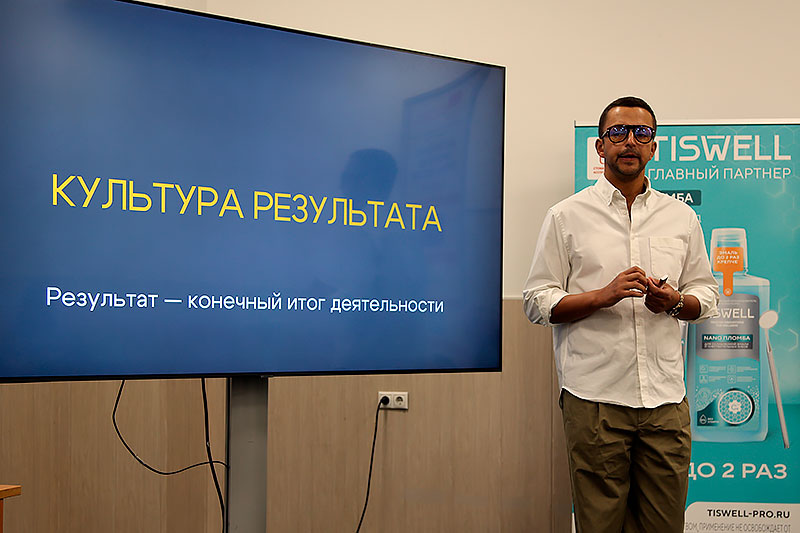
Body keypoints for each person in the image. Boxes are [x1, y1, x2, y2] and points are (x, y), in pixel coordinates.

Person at [523, 96, 719, 532]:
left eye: (641, 133)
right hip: (595, 398)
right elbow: (536, 300)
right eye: (618, 132)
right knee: (600, 526)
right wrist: (602, 295)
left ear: (653, 147)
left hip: (665, 398)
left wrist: (674, 302)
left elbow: (706, 294)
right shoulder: (566, 216)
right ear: (600, 146)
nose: (630, 140)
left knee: (665, 525)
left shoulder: (681, 217)